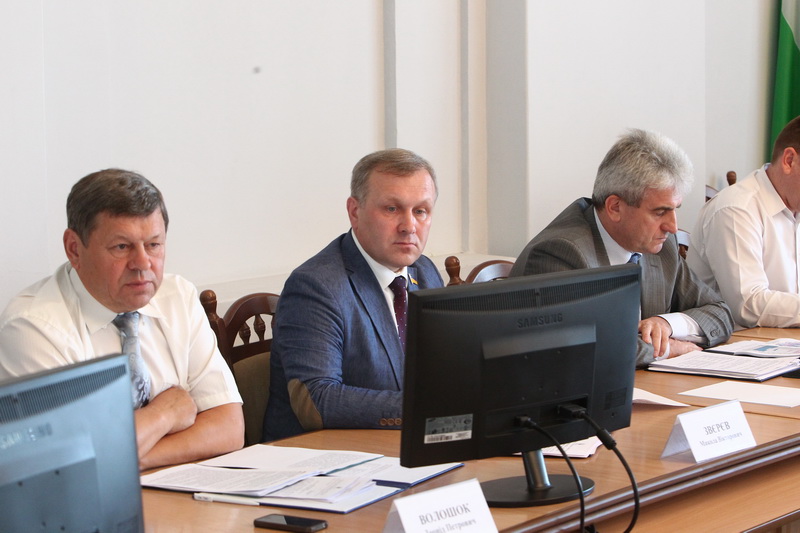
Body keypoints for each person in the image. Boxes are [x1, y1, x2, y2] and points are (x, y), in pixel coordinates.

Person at [0, 169, 244, 470]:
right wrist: (164, 413)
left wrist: (123, 456)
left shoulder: (177, 296)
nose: (142, 263)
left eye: (153, 245)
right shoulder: (32, 328)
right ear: (74, 249)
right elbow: (70, 463)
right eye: (122, 247)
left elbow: (230, 428)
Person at [510, 129, 734, 367]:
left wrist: (667, 324)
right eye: (660, 212)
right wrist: (666, 348)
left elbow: (719, 313)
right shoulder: (561, 252)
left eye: (674, 209)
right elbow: (580, 348)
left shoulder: (661, 247)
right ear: (615, 207)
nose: (672, 226)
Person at [263, 148, 443, 441]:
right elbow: (318, 401)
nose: (409, 226)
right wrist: (428, 408)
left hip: (407, 444)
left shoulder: (424, 271)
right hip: (323, 456)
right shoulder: (315, 286)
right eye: (392, 209)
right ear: (355, 212)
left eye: (420, 211)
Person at [688, 116, 800, 328]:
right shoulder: (735, 209)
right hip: (730, 343)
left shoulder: (794, 203)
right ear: (789, 161)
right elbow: (749, 305)